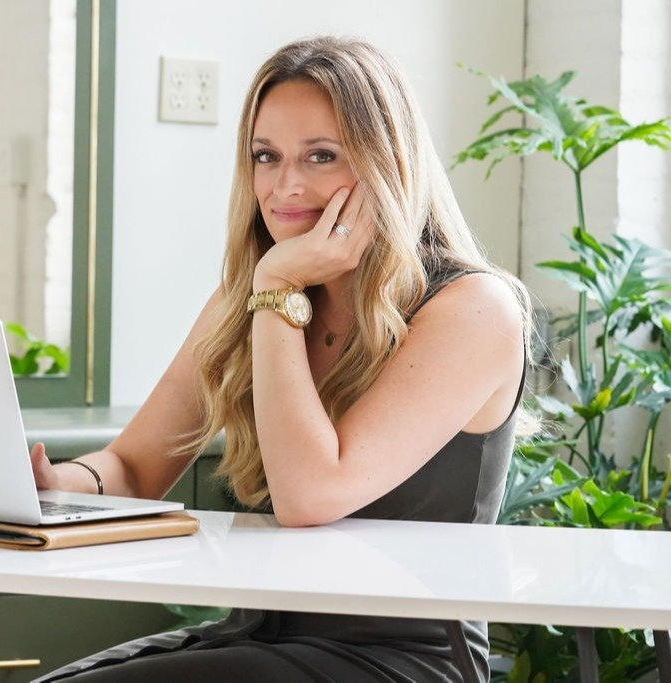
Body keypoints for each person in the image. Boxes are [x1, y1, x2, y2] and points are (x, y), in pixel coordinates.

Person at [29, 35, 531, 682]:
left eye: (322, 156)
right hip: (256, 636)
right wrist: (56, 484)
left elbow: (310, 495)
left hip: (397, 662)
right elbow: (133, 467)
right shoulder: (254, 293)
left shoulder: (474, 309)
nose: (285, 185)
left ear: (387, 164)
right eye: (266, 156)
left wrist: (277, 290)